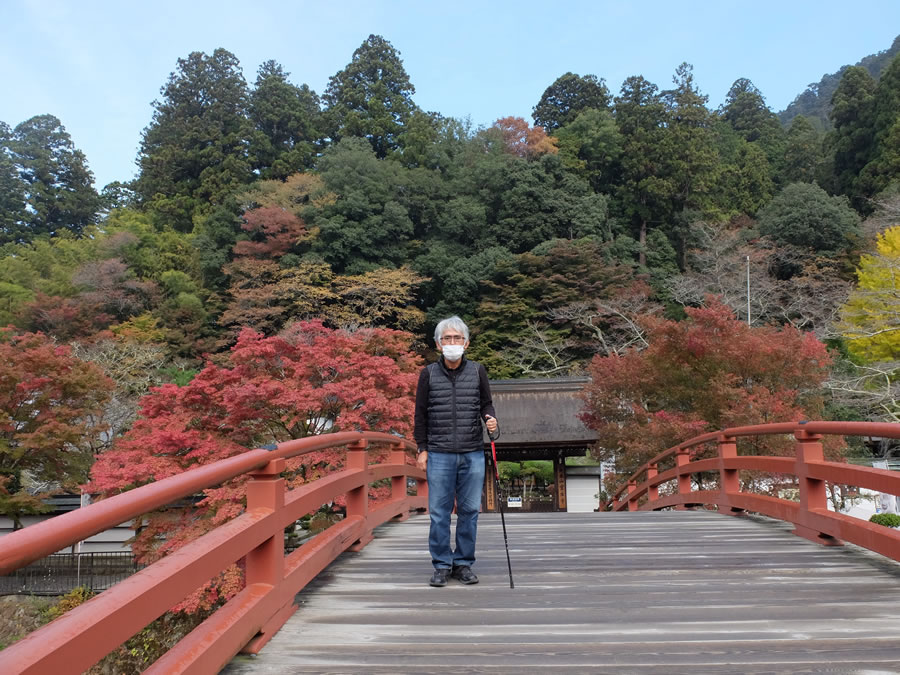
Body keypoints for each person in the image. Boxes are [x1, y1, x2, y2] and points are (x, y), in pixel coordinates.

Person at [414, 316, 499, 587]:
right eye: (447, 339)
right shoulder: (428, 374)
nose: (452, 343)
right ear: (438, 344)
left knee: (469, 511)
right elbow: (420, 415)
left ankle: (463, 563)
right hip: (438, 452)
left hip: (472, 451)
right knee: (439, 512)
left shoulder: (477, 371)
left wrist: (490, 418)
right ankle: (441, 564)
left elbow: (486, 403)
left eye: (457, 338)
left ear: (467, 343)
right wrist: (422, 449)